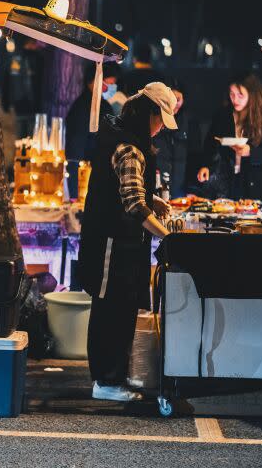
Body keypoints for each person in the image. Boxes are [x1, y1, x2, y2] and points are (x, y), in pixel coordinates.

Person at [77, 82, 175, 402]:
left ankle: (112, 379)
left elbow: (132, 192)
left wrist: (154, 202)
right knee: (111, 311)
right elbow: (133, 205)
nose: (160, 127)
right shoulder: (129, 148)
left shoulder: (125, 138)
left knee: (119, 309)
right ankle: (106, 382)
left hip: (121, 242)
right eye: (159, 119)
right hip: (112, 242)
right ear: (148, 113)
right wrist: (168, 236)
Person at [196, 72, 262, 199]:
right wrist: (206, 166)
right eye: (232, 94)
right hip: (226, 182)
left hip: (255, 183)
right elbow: (210, 144)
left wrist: (250, 151)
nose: (235, 99)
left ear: (252, 95)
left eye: (240, 95)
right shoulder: (222, 115)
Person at [65, 62, 115, 195]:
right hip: (84, 171)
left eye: (112, 85)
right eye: (106, 84)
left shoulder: (104, 106)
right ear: (92, 81)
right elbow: (75, 145)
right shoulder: (81, 107)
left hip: (100, 166)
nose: (109, 88)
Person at [154, 80, 195, 198]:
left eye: (177, 99)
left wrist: (192, 188)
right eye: (169, 99)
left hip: (181, 186)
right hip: (158, 184)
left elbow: (194, 155)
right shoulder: (156, 119)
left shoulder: (189, 121)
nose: (174, 103)